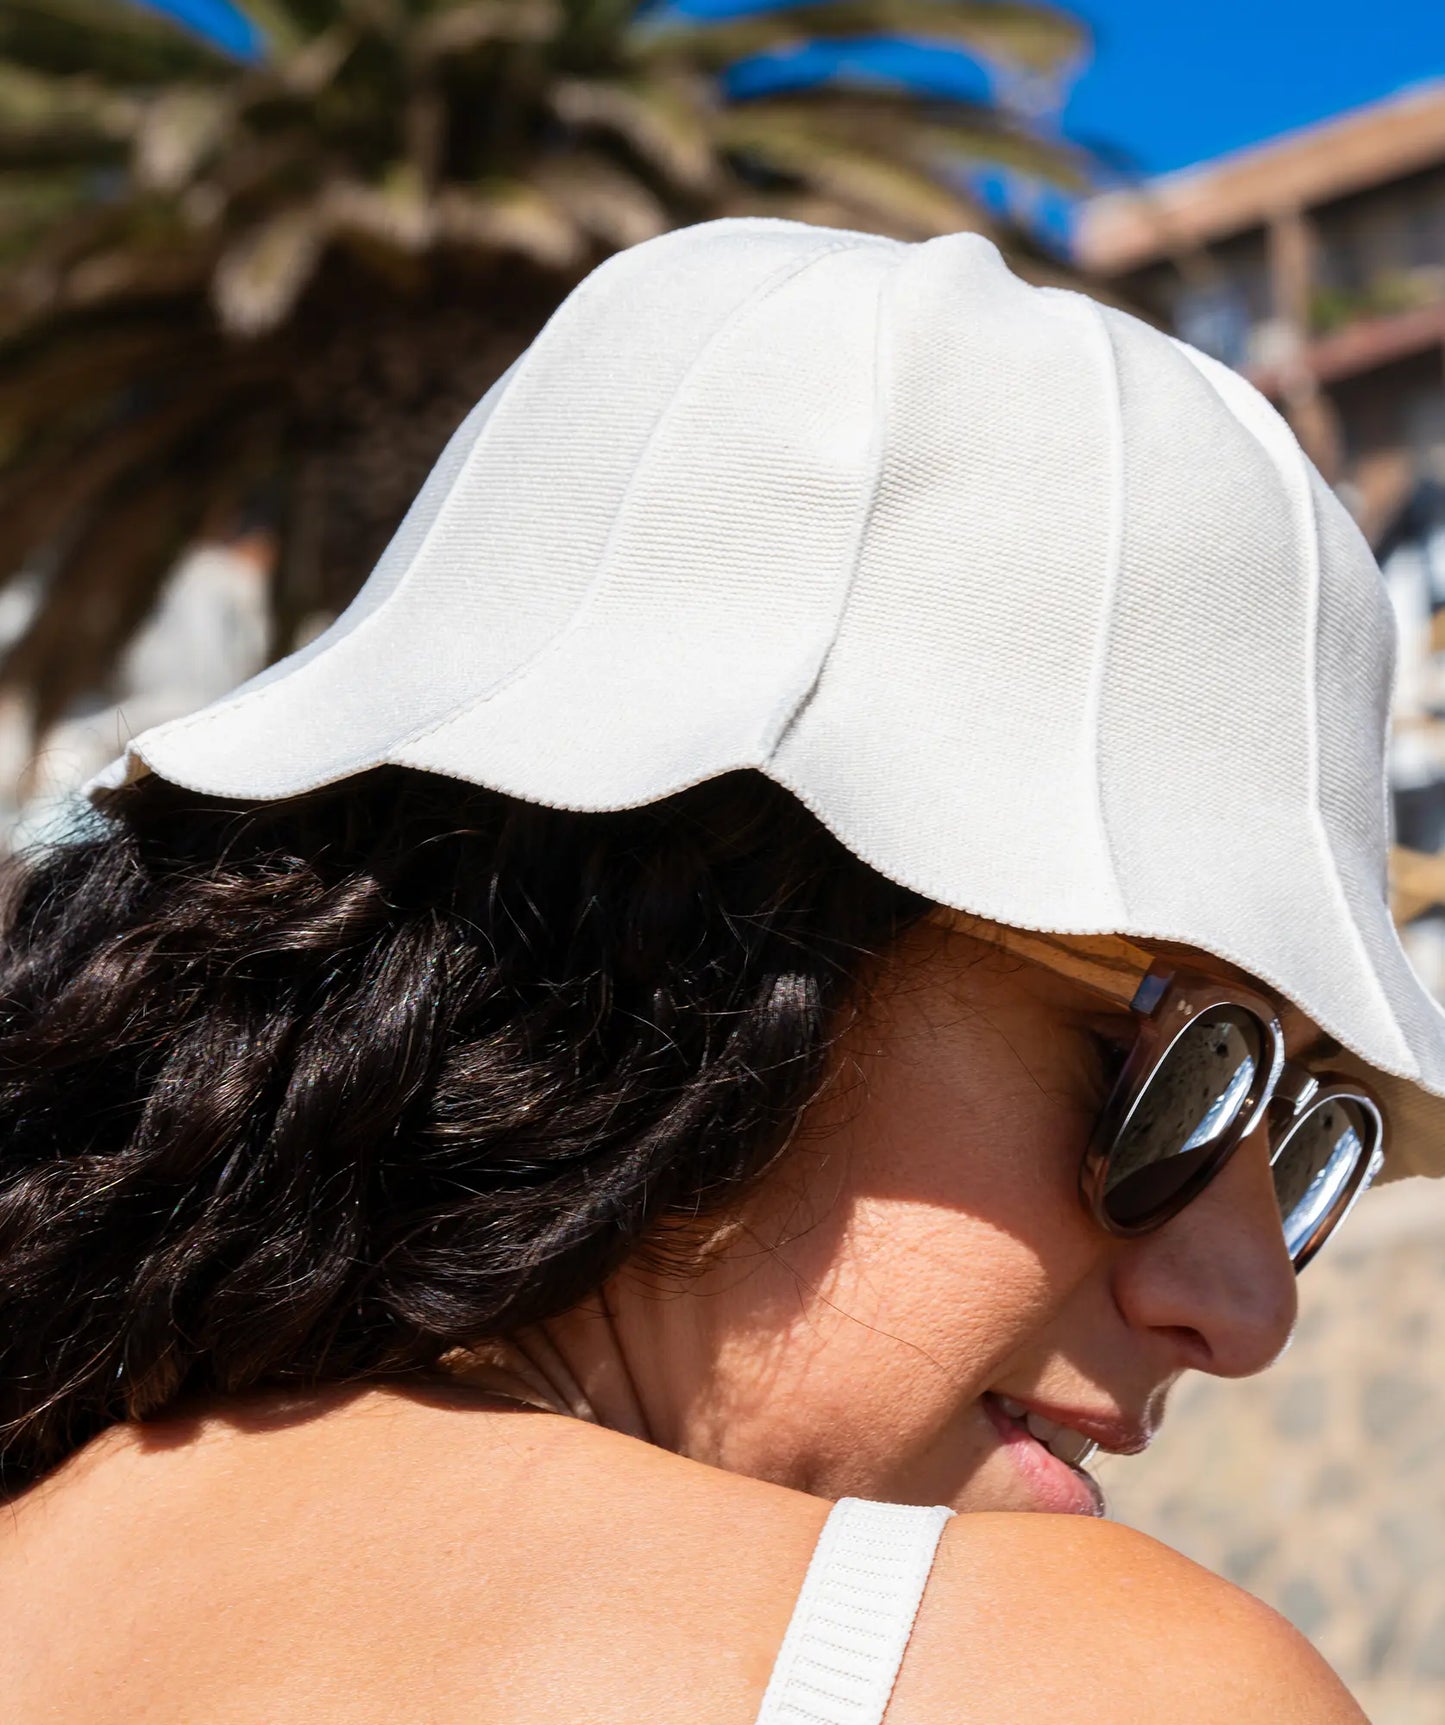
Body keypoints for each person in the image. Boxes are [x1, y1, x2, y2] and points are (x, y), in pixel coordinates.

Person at [1, 217, 1437, 1724]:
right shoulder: (1091, 1688)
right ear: (681, 947)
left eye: (1300, 1139)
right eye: (1186, 1079)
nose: (1249, 1304)